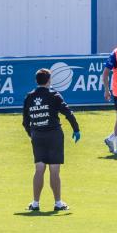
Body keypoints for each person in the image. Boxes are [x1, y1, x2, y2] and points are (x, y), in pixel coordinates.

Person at [22, 68, 80, 212]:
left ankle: (35, 203)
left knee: (39, 168)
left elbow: (25, 121)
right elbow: (67, 112)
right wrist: (76, 129)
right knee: (54, 170)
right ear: (49, 80)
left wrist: (32, 134)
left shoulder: (29, 97)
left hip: (37, 135)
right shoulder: (54, 95)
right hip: (54, 135)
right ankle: (58, 203)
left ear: (37, 81)